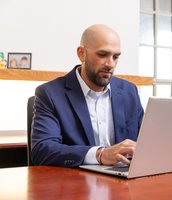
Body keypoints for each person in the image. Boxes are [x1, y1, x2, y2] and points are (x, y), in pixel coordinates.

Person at [31, 24, 144, 167]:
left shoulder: (129, 91)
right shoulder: (50, 94)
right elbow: (42, 150)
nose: (110, 64)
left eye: (116, 57)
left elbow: (148, 140)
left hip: (125, 180)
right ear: (81, 54)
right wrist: (100, 154)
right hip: (77, 182)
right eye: (102, 55)